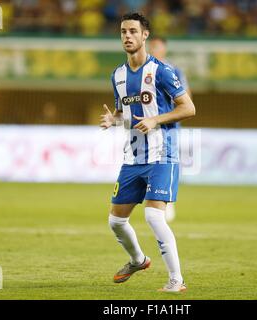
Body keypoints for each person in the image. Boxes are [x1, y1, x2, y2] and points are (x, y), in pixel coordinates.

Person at [100, 12, 196, 292]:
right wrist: (113, 120)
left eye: (133, 31)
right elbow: (122, 112)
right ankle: (138, 260)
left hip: (161, 155)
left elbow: (188, 108)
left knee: (154, 216)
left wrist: (156, 119)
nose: (127, 36)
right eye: (123, 32)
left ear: (145, 36)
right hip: (132, 159)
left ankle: (176, 281)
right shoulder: (117, 75)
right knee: (116, 222)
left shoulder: (162, 71)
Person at [148, 36, 192, 222]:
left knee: (168, 161)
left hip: (168, 126)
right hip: (146, 126)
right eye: (153, 46)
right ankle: (151, 199)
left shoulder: (173, 70)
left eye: (159, 46)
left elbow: (186, 97)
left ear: (164, 49)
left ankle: (168, 201)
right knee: (147, 161)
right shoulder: (143, 69)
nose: (156, 49)